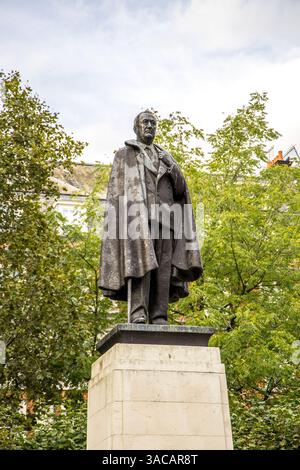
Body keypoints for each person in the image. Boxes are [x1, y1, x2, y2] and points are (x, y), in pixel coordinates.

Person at [99, 110, 202, 324]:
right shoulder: (124, 154)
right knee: (139, 265)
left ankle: (159, 315)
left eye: (153, 123)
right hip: (137, 221)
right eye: (145, 122)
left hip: (166, 220)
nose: (149, 126)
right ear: (136, 127)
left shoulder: (165, 156)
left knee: (163, 269)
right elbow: (116, 193)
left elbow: (182, 189)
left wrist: (172, 166)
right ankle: (138, 312)